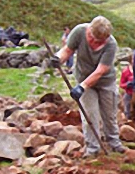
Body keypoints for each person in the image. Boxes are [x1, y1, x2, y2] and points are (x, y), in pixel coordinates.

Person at [50, 16, 126, 157]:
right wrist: (58, 59)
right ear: (89, 30)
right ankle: (92, 148)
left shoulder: (111, 44)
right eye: (92, 38)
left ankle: (114, 142)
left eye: (99, 42)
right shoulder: (79, 31)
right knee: (90, 114)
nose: (94, 43)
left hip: (105, 82)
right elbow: (67, 50)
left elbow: (100, 71)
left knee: (109, 114)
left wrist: (81, 87)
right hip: (83, 77)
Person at [119, 55, 134, 120]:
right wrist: (127, 85)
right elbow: (121, 84)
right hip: (129, 93)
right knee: (127, 110)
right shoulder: (125, 71)